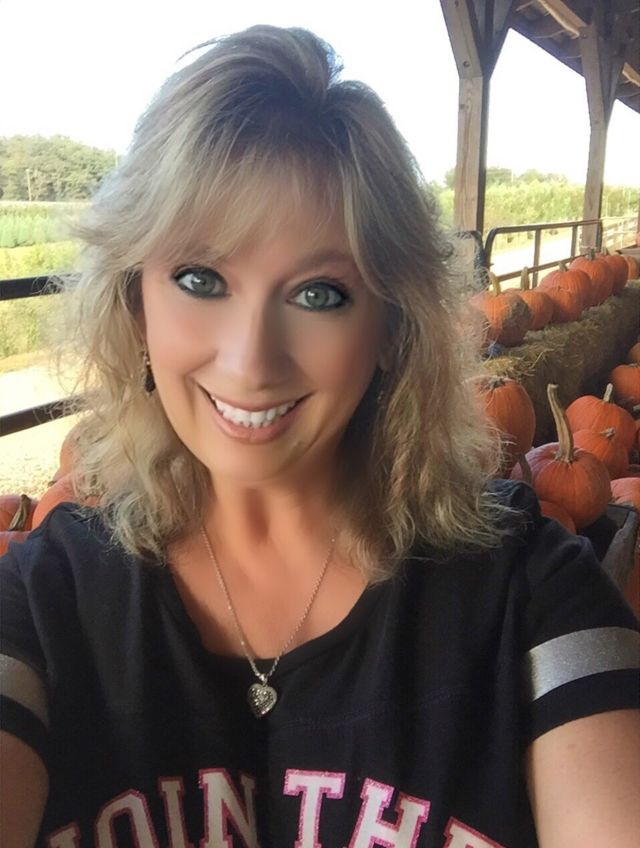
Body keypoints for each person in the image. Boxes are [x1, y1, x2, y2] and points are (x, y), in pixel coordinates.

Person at [1, 25, 639, 848]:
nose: (250, 360)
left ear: (392, 327)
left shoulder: (531, 596)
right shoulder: (42, 605)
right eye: (200, 279)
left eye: (318, 294)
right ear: (136, 305)